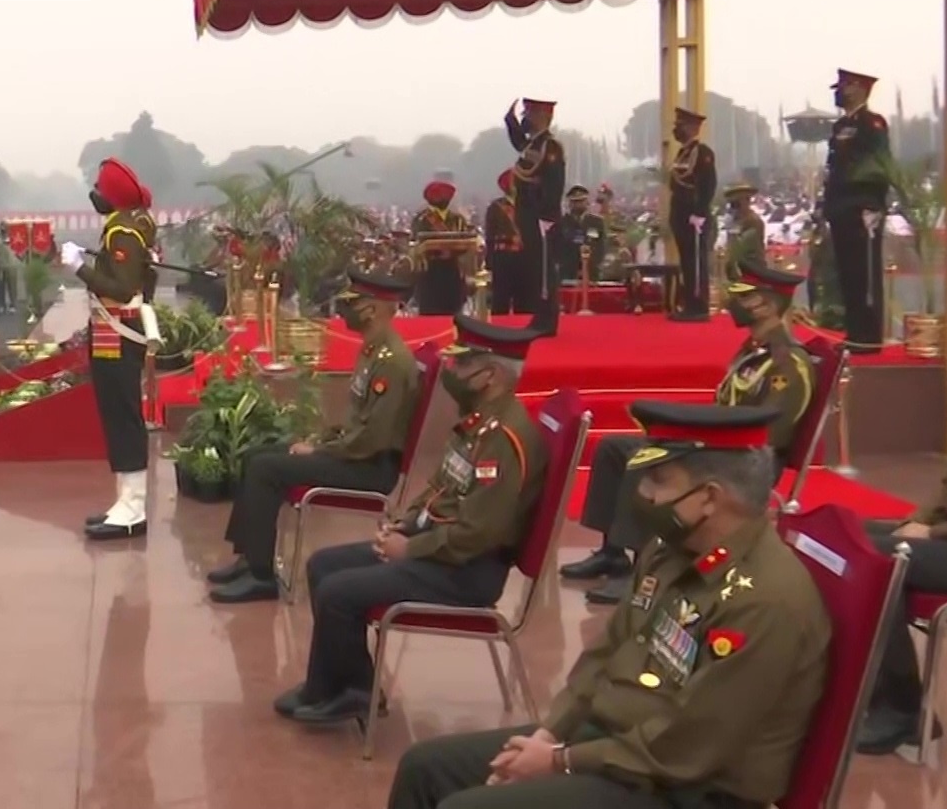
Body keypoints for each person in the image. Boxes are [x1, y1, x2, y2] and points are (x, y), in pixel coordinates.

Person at [387, 401, 831, 809]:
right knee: (426, 768)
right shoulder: (671, 550)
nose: (645, 495)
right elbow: (607, 651)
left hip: (688, 788)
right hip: (615, 746)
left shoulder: (766, 601)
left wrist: (560, 761)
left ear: (710, 498)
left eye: (659, 480)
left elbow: (686, 745)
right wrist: (550, 732)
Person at [276, 314, 548, 725]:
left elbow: (480, 533)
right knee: (322, 565)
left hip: (467, 569)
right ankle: (338, 685)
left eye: (461, 365)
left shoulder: (504, 439)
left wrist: (411, 548)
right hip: (443, 547)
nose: (451, 373)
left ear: (489, 375)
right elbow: (442, 484)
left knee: (338, 591)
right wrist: (406, 522)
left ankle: (350, 690)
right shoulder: (478, 422)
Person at [563, 263, 813, 603]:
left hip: (742, 458)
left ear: (767, 306)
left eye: (745, 298)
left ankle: (638, 569)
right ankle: (613, 552)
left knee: (644, 458)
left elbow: (771, 431)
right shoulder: (753, 351)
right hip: (716, 444)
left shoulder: (787, 362)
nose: (733, 303)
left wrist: (703, 438)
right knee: (612, 448)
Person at [206, 271, 423, 602]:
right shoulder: (373, 352)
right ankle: (249, 557)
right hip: (354, 454)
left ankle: (262, 577)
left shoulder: (392, 362)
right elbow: (358, 425)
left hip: (369, 467)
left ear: (373, 309)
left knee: (267, 469)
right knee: (255, 456)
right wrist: (321, 442)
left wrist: (321, 450)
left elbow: (373, 439)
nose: (344, 310)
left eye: (353, 303)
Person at [853, 322, 947, 755]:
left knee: (882, 557)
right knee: (852, 535)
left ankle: (901, 708)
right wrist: (916, 521)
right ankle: (858, 688)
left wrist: (933, 532)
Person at [75, 158, 159, 540]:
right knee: (117, 415)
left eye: (99, 187)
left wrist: (79, 268)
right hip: (117, 329)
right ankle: (125, 501)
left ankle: (134, 507)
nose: (95, 193)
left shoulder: (123, 231)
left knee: (123, 416)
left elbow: (121, 287)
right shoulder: (128, 227)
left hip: (119, 329)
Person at [822, 68, 891, 352]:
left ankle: (869, 336)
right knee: (848, 272)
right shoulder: (840, 126)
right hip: (841, 209)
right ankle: (854, 332)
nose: (838, 92)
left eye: (843, 86)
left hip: (863, 208)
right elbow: (833, 168)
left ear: (858, 88)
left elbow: (879, 167)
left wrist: (872, 204)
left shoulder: (872, 124)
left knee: (866, 273)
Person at [504, 99, 566, 334]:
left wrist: (548, 214)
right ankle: (540, 317)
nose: (525, 119)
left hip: (542, 217)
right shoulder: (533, 145)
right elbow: (519, 143)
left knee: (544, 271)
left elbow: (554, 183)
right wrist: (509, 122)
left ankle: (546, 321)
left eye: (529, 114)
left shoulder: (550, 147)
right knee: (535, 268)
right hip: (529, 215)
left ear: (542, 115)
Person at [666, 107, 718, 322]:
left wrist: (699, 213)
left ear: (692, 127)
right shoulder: (683, 153)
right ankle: (689, 303)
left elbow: (707, 185)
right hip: (681, 215)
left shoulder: (702, 153)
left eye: (680, 125)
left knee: (696, 261)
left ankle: (699, 305)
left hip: (694, 217)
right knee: (687, 261)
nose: (676, 129)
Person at [411, 181, 471, 316]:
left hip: (452, 270)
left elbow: (465, 241)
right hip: (431, 270)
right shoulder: (422, 219)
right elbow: (419, 241)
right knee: (430, 312)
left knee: (454, 311)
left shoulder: (457, 219)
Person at [481, 170, 524, 316]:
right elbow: (490, 235)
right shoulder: (496, 207)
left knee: (524, 297)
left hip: (525, 256)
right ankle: (499, 327)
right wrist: (490, 260)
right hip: (503, 256)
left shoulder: (527, 205)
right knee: (501, 297)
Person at [551, 185, 607, 286]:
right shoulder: (561, 223)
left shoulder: (597, 222)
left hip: (591, 272)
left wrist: (589, 265)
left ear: (587, 202)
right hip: (567, 273)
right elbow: (555, 248)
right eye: (575, 201)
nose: (578, 204)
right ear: (569, 203)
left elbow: (600, 247)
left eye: (581, 201)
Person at [721, 181, 765, 282]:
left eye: (738, 202)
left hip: (751, 268)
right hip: (736, 269)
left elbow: (744, 247)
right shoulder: (734, 220)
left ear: (747, 201)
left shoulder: (753, 221)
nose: (735, 206)